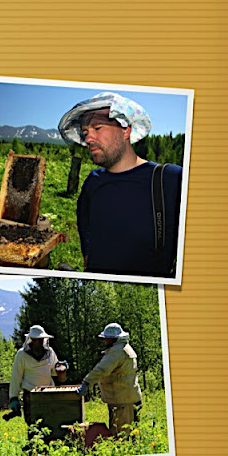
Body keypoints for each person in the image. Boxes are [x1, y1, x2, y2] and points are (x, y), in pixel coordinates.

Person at [58, 91, 183, 277]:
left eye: (97, 128)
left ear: (126, 129)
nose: (88, 139)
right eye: (85, 133)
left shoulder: (171, 179)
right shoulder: (93, 181)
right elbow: (85, 227)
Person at [76, 323, 142, 437]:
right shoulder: (124, 348)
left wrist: (87, 382)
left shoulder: (117, 351)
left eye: (106, 338)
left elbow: (101, 369)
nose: (104, 340)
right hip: (128, 397)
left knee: (121, 436)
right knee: (131, 434)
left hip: (122, 400)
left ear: (113, 338)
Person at [7, 324, 67, 420]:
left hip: (49, 394)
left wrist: (61, 368)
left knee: (51, 423)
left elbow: (54, 371)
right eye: (35, 339)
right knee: (33, 426)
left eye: (40, 339)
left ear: (44, 340)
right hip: (30, 396)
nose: (37, 342)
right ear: (30, 340)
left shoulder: (50, 352)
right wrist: (14, 398)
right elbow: (16, 377)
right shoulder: (22, 355)